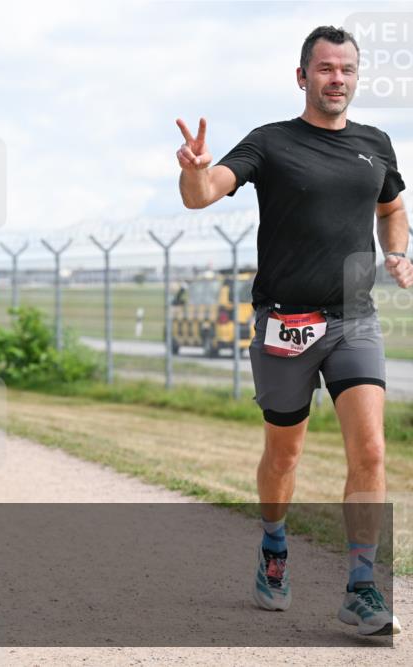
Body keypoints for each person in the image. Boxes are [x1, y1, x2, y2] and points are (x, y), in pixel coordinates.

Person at [176, 25, 409, 636]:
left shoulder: (376, 144)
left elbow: (391, 208)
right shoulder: (271, 142)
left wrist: (398, 251)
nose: (337, 79)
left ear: (357, 78)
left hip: (354, 319)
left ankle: (362, 586)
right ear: (302, 76)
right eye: (325, 68)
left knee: (371, 448)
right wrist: (197, 171)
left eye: (347, 69)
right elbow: (204, 195)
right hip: (286, 325)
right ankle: (274, 544)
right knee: (285, 456)